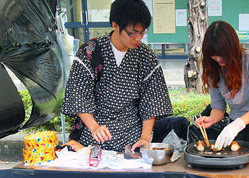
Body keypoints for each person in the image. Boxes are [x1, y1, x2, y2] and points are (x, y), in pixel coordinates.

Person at [61, 0, 172, 152]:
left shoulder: (146, 57)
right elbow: (78, 94)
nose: (138, 38)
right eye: (132, 33)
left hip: (132, 138)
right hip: (92, 134)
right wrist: (94, 128)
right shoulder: (90, 51)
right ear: (115, 25)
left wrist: (145, 138)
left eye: (142, 32)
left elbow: (153, 99)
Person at [196, 20, 249, 151]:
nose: (219, 60)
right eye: (214, 56)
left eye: (223, 55)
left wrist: (238, 124)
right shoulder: (213, 70)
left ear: (232, 48)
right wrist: (211, 119)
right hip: (236, 126)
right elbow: (218, 108)